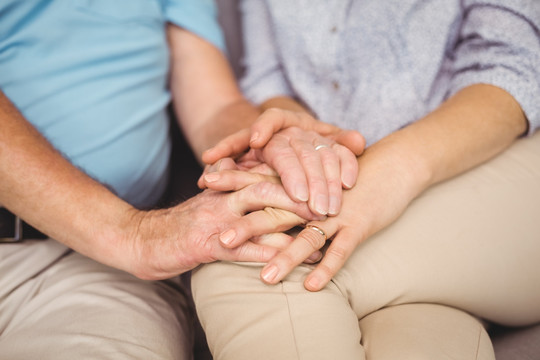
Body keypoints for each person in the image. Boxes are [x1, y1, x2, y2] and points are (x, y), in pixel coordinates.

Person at [0, 1, 362, 358]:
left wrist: (268, 144)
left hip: (94, 268)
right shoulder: (132, 238)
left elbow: (214, 107)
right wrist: (133, 235)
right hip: (117, 240)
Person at [192, 1, 540, 359]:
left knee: (251, 266)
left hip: (492, 167)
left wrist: (386, 172)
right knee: (419, 340)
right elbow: (269, 76)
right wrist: (308, 151)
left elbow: (515, 69)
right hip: (353, 182)